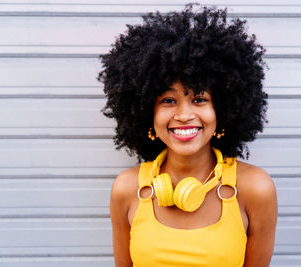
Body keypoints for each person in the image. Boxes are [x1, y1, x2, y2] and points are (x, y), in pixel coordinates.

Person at [98, 4, 277, 267]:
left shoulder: (255, 189)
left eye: (199, 99)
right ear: (147, 111)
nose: (183, 115)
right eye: (168, 100)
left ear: (222, 111)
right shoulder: (127, 189)